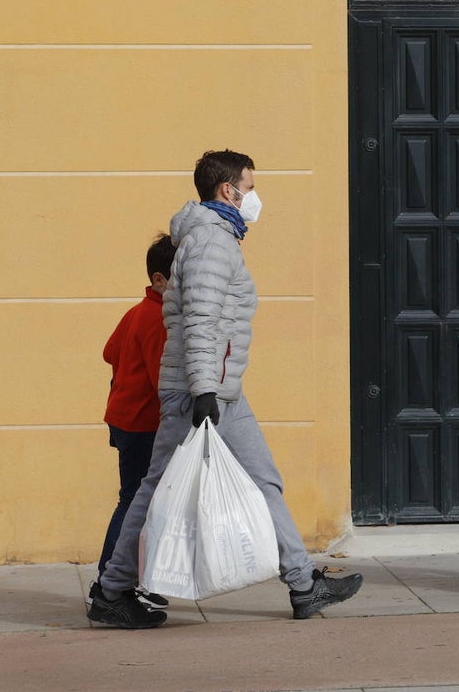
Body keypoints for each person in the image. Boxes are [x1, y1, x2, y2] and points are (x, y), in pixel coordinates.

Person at [87, 149, 363, 628]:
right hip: (202, 388)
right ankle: (112, 591)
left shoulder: (213, 239)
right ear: (227, 190)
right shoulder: (212, 243)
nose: (254, 197)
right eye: (250, 188)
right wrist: (202, 391)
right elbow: (200, 320)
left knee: (263, 480)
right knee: (152, 490)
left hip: (220, 385)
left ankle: (302, 584)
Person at [89, 233, 176, 610]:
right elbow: (164, 383)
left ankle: (126, 577)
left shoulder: (136, 311)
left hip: (125, 420)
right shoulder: (158, 319)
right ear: (160, 280)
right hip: (144, 425)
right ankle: (110, 578)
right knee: (134, 502)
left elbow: (110, 352)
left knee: (139, 500)